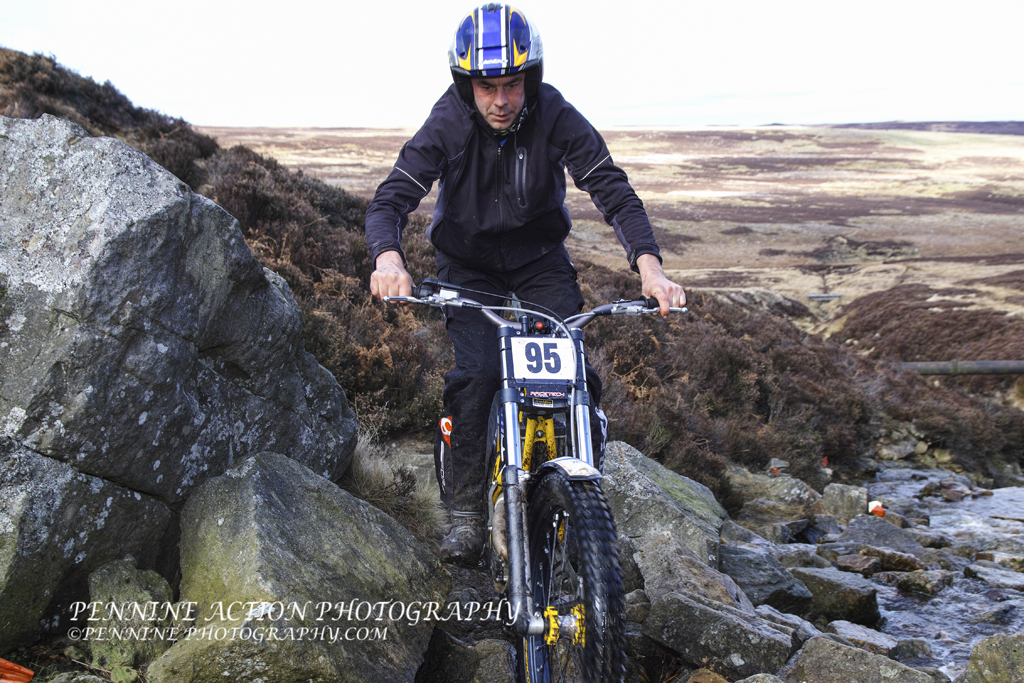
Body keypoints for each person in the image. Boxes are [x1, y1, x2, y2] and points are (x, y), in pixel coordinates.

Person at [366, 3, 685, 565]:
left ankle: (581, 500)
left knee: (575, 377)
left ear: (530, 78)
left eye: (512, 84)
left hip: (540, 261)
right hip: (468, 264)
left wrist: (651, 269)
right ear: (466, 85)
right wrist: (389, 260)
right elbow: (391, 199)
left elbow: (613, 191)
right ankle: (466, 516)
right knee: (479, 376)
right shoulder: (448, 121)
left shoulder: (554, 113)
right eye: (487, 87)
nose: (501, 100)